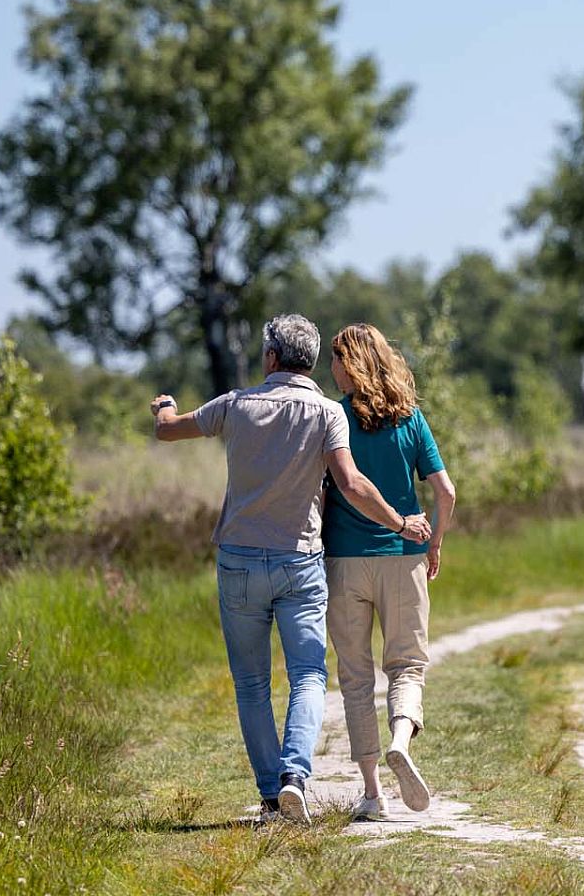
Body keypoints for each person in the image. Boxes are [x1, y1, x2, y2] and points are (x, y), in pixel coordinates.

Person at [151, 313, 431, 826]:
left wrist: (164, 407)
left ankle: (270, 797)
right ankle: (294, 779)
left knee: (252, 683)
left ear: (271, 358)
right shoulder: (328, 413)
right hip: (300, 562)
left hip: (238, 560)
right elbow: (350, 483)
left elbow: (169, 431)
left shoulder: (235, 405)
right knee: (307, 675)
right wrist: (399, 522)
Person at [322, 322, 458, 821]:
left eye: (336, 359)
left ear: (351, 363)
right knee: (406, 665)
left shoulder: (333, 419)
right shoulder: (411, 419)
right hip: (404, 556)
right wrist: (435, 542)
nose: (331, 368)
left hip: (343, 562)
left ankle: (373, 793)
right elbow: (446, 493)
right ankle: (402, 738)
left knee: (355, 678)